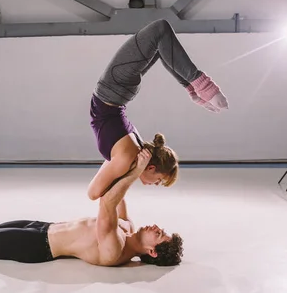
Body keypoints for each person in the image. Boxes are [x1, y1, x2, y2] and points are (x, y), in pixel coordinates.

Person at [0, 149, 183, 267]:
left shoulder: (115, 249)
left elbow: (107, 200)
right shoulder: (128, 229)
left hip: (36, 246)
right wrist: (131, 162)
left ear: (152, 252)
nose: (158, 228)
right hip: (42, 227)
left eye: (160, 236)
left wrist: (134, 172)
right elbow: (118, 195)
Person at [88, 18, 228, 200]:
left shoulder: (130, 157)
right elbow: (93, 193)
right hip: (114, 86)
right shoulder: (127, 159)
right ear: (151, 167)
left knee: (161, 43)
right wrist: (138, 170)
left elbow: (110, 191)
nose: (155, 185)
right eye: (159, 181)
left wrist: (124, 221)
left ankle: (194, 88)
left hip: (117, 92)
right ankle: (203, 85)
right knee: (160, 30)